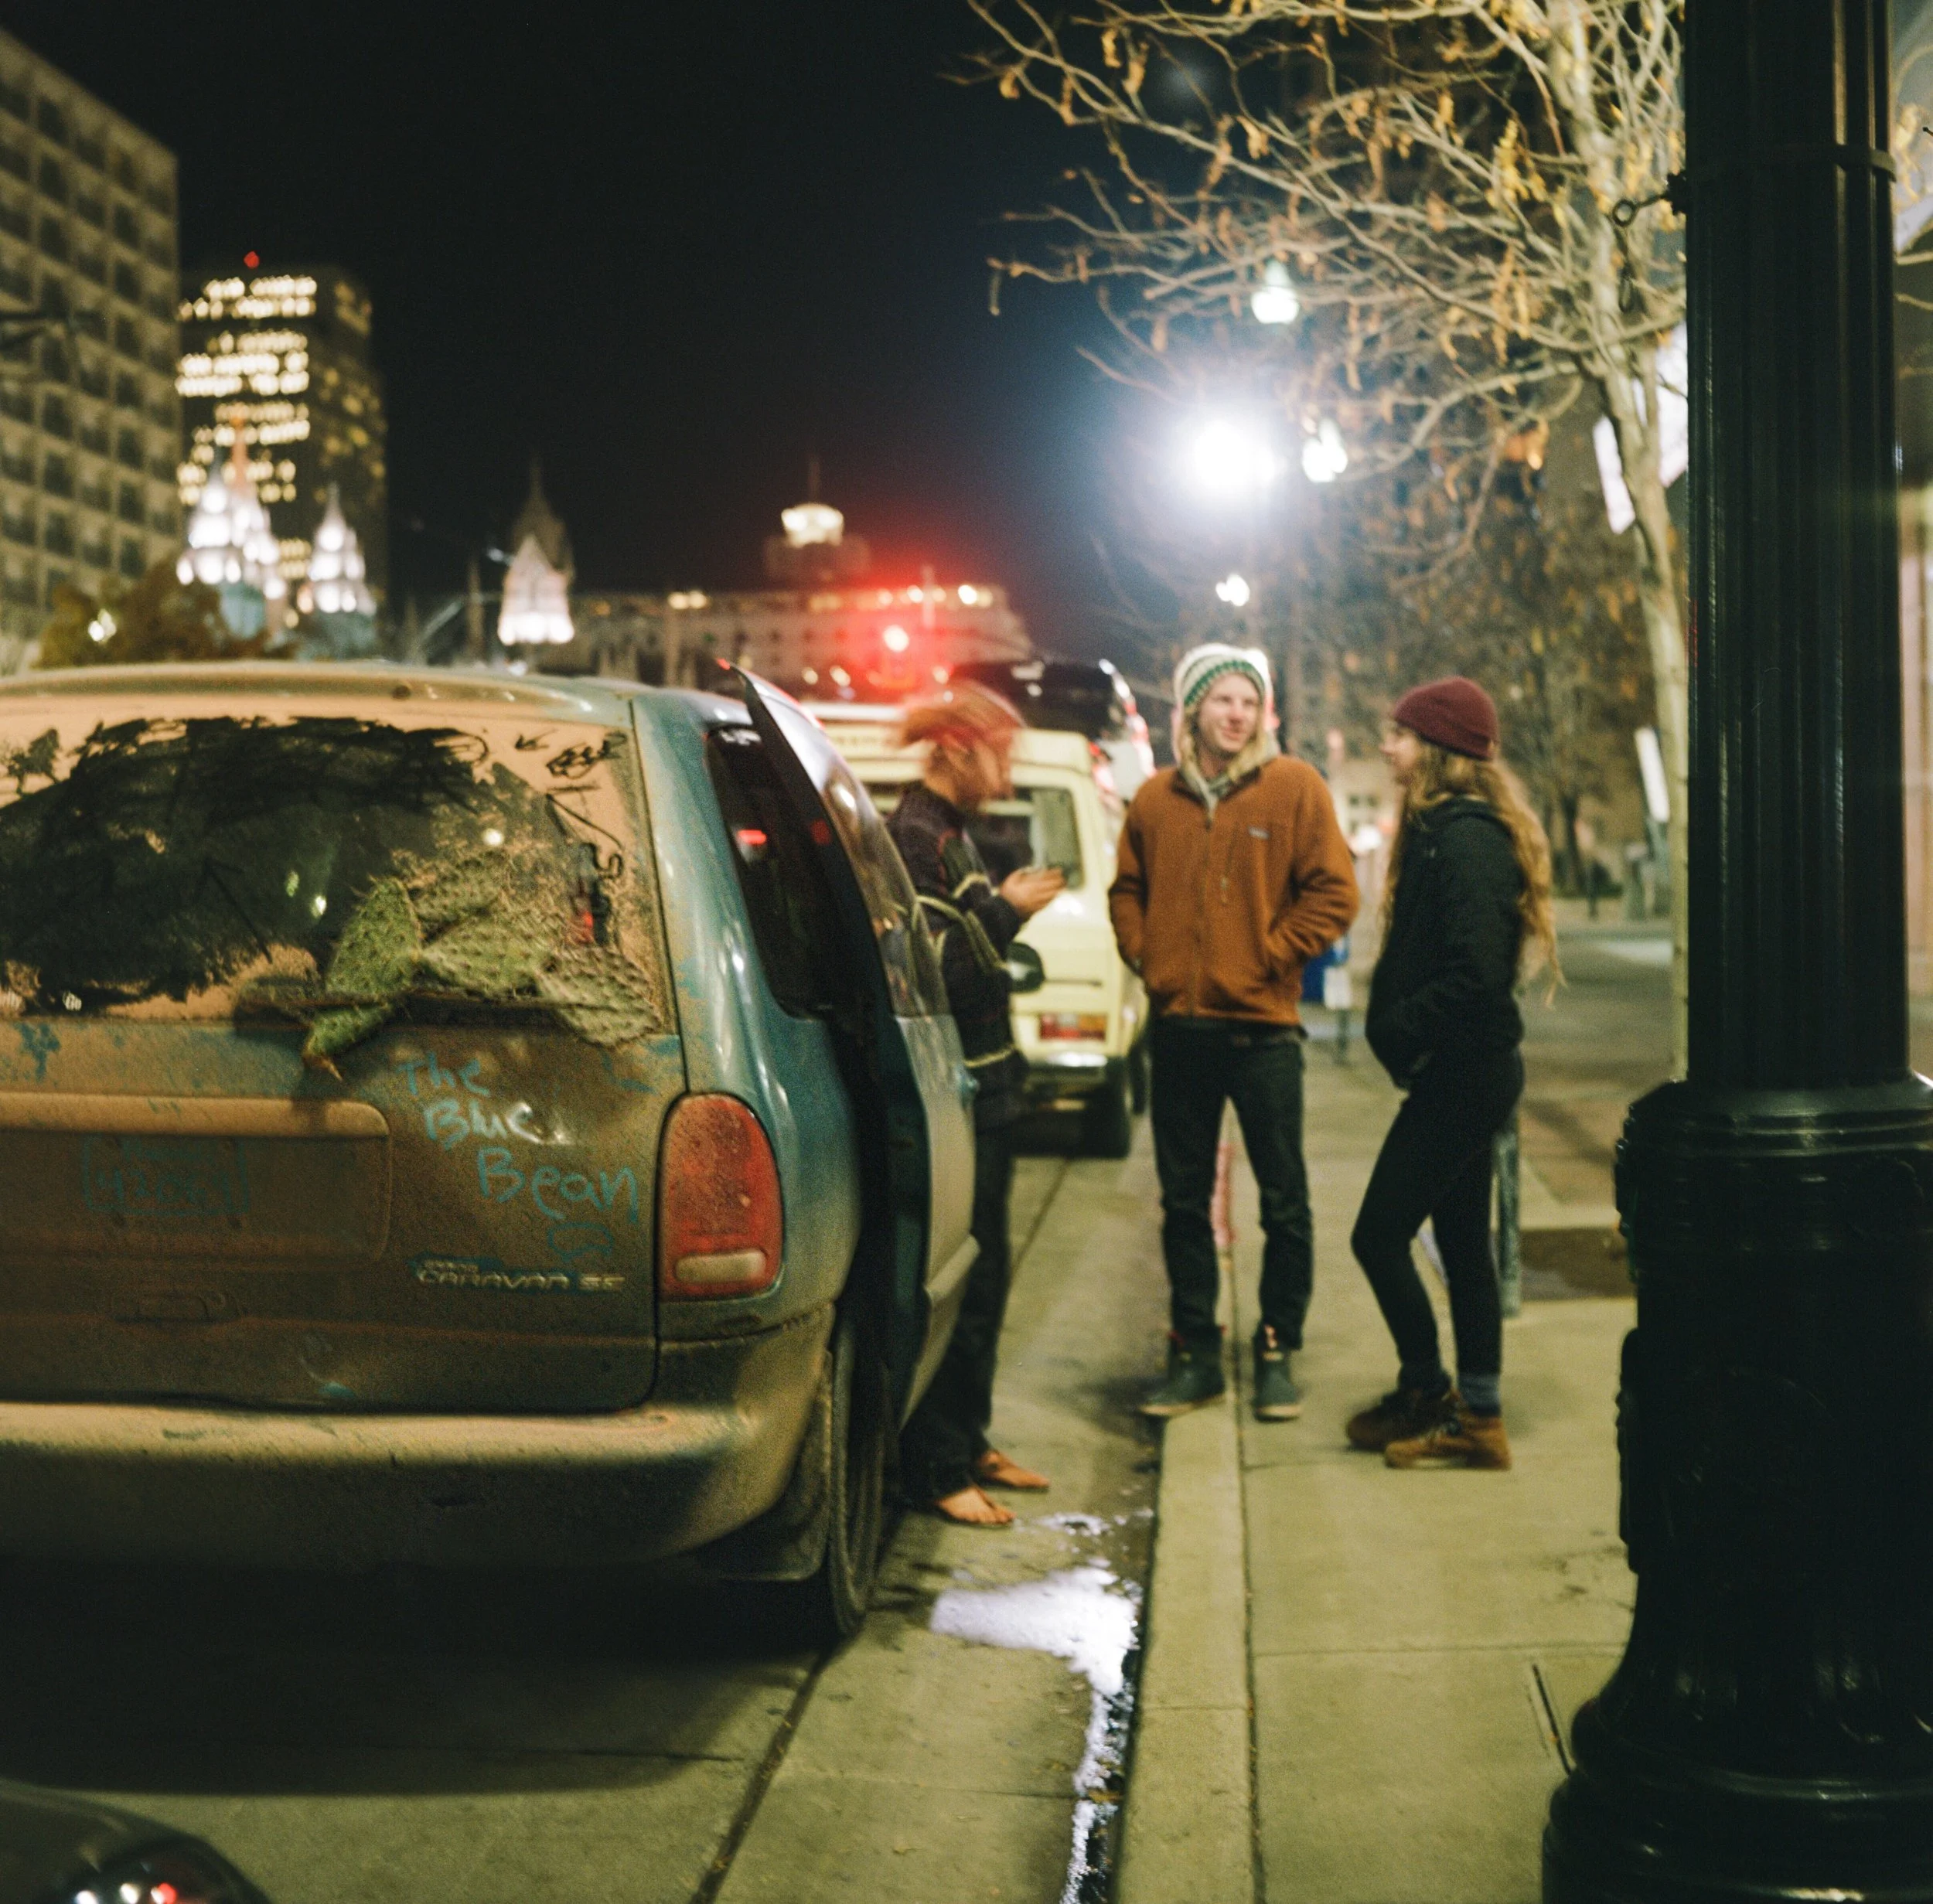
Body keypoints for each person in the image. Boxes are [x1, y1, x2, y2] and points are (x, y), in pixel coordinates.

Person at [1108, 644, 1359, 1420]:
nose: (1236, 714)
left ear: (1262, 714)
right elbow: (1126, 888)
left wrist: (1268, 957)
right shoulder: (1153, 800)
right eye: (1222, 700)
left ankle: (1277, 1347)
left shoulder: (1294, 788)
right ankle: (1195, 1354)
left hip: (1263, 1034)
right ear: (1193, 711)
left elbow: (1334, 894)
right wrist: (1145, 956)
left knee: (1284, 1202)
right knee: (1183, 1203)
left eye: (1249, 701)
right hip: (1181, 1032)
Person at [1346, 676, 1558, 1470]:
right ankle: (1479, 1420)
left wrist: (1401, 1026)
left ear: (1435, 749)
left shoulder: (1466, 838)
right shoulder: (1444, 827)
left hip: (1464, 1074)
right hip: (1463, 1071)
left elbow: (1477, 969)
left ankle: (1429, 1390)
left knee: (1378, 1236)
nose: (1386, 745)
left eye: (1398, 735)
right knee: (1463, 1245)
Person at [889, 683, 1065, 1527]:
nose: (1010, 768)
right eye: (1002, 750)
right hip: (956, 1096)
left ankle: (969, 1440)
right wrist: (1007, 911)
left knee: (989, 1278)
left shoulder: (952, 837)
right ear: (960, 748)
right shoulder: (916, 839)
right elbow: (944, 974)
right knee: (957, 1284)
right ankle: (935, 1466)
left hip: (989, 1090)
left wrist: (1000, 911)